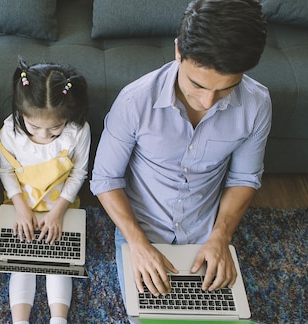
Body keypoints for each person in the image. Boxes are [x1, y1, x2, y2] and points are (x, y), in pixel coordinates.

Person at [90, 0, 271, 301]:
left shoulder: (257, 104)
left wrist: (221, 237)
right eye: (197, 85)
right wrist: (137, 243)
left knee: (220, 314)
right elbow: (105, 179)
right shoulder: (135, 101)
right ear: (178, 51)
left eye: (226, 88)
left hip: (207, 232)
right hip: (141, 229)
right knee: (148, 314)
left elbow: (245, 177)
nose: (208, 102)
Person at [0, 57, 91, 324]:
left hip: (61, 205)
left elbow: (79, 172)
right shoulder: (10, 130)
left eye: (54, 129)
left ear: (68, 116)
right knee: (21, 263)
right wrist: (21, 209)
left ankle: (59, 319)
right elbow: (5, 171)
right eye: (34, 127)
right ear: (21, 113)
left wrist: (58, 212)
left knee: (59, 262)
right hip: (21, 204)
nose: (43, 136)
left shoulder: (78, 130)